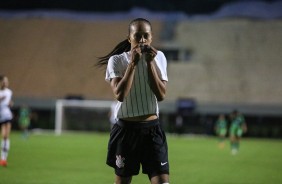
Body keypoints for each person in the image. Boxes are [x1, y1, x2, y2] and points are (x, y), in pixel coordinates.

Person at [97, 18, 170, 184]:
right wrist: (133, 64)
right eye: (138, 36)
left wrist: (150, 63)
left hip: (152, 131)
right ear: (130, 38)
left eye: (146, 36)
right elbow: (120, 94)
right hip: (126, 132)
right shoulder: (116, 61)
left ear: (151, 37)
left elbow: (161, 95)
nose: (142, 40)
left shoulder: (159, 58)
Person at [0, 75, 13, 167]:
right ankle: (3, 158)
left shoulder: (9, 92)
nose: (6, 82)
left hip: (7, 115)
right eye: (5, 81)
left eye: (7, 81)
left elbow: (9, 103)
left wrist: (10, 104)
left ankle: (4, 158)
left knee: (5, 136)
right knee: (3, 136)